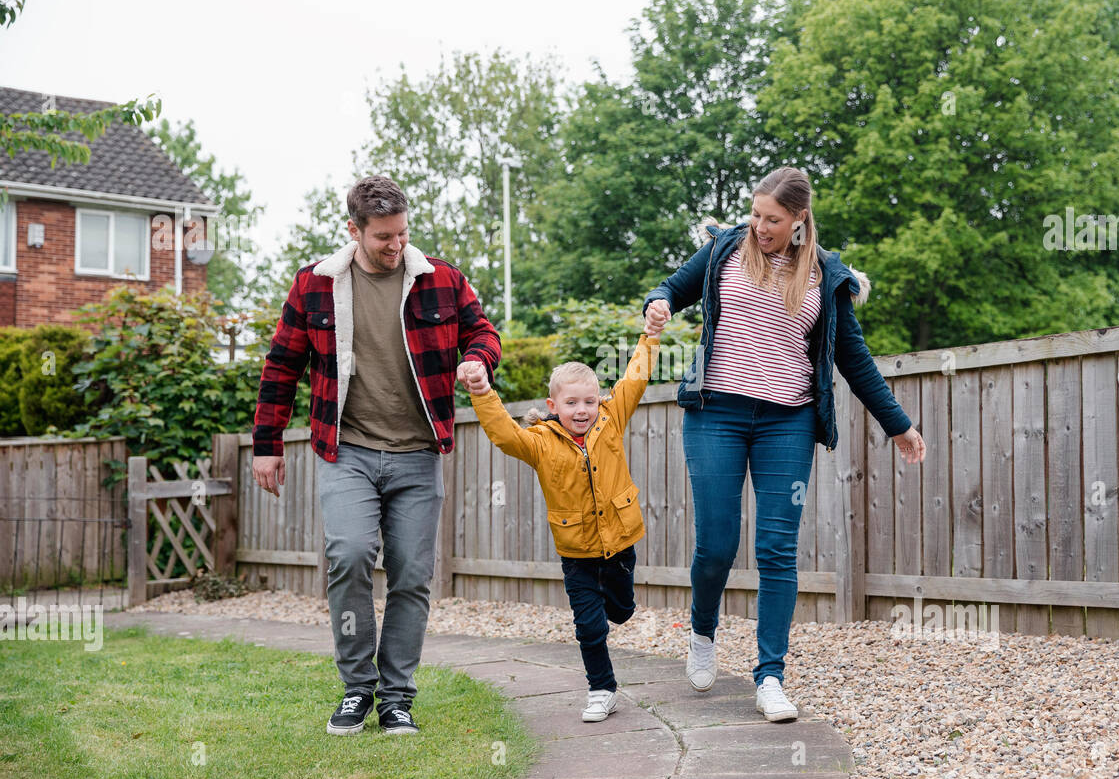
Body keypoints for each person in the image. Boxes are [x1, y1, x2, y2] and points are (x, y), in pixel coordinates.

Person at [642, 166, 925, 722]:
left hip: (787, 422)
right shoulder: (726, 248)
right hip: (715, 413)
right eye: (755, 215)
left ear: (799, 220)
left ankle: (770, 676)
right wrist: (657, 304)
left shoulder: (825, 276)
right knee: (717, 544)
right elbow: (672, 288)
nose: (760, 226)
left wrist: (898, 424)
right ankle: (703, 632)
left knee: (777, 550)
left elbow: (854, 360)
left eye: (772, 219)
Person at [250, 175, 501, 736]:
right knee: (350, 555)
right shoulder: (314, 286)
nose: (396, 246)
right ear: (354, 231)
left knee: (412, 575)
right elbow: (281, 368)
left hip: (418, 454)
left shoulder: (441, 280)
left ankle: (397, 698)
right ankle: (356, 689)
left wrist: (479, 359)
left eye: (403, 234)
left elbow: (482, 331)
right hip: (348, 452)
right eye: (384, 237)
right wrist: (266, 446)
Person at [462, 314, 664, 722]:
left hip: (621, 543)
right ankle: (601, 689)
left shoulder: (611, 420)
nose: (583, 410)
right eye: (572, 403)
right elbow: (504, 434)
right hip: (577, 554)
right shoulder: (540, 443)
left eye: (589, 401)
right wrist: (483, 391)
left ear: (599, 401)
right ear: (554, 406)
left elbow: (634, 380)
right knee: (589, 626)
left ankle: (615, 608)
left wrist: (652, 336)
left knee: (622, 611)